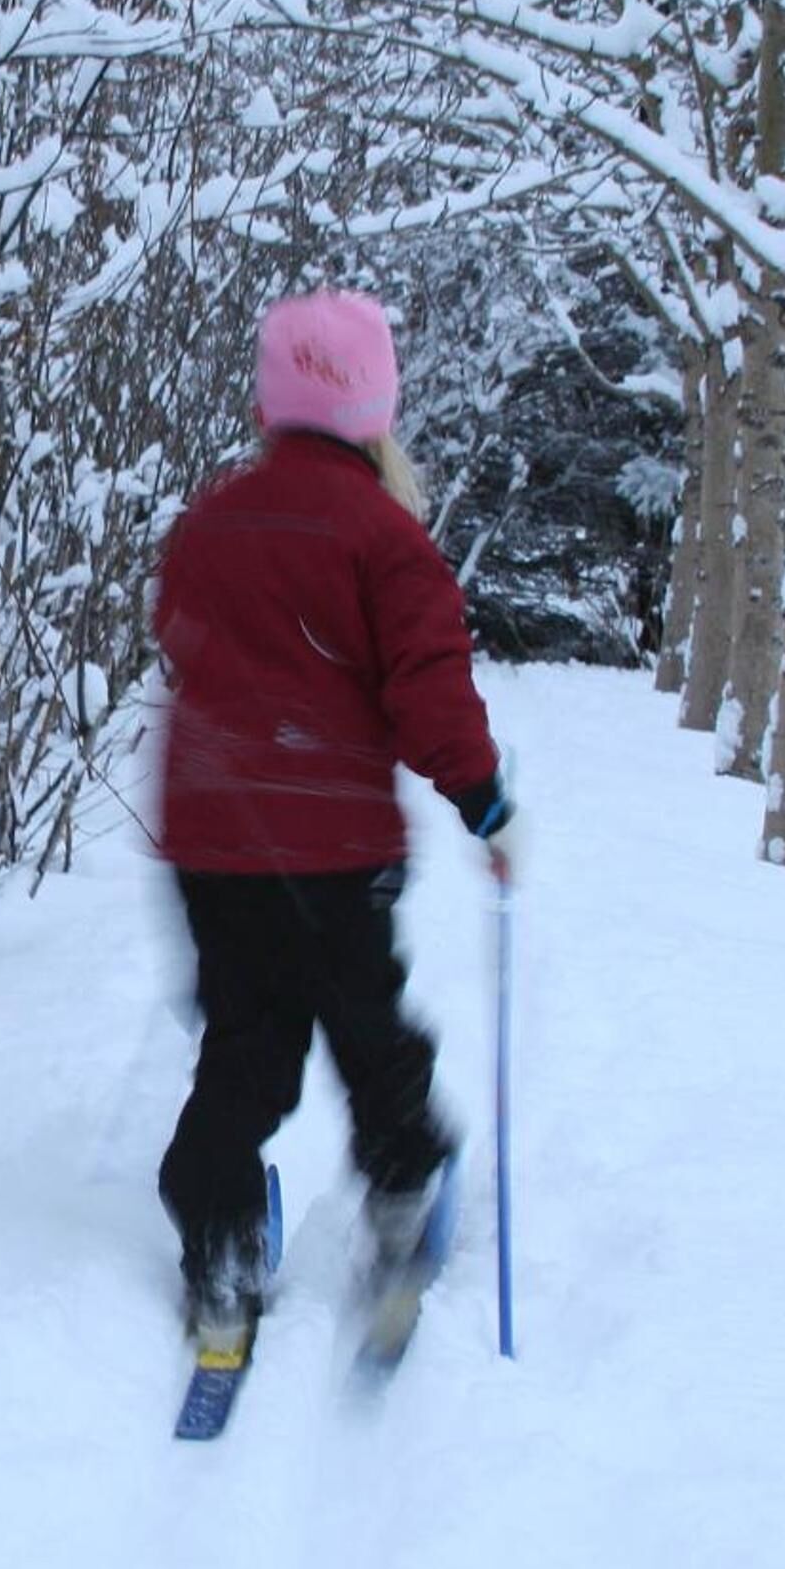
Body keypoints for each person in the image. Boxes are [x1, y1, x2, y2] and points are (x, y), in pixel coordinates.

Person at [149, 288, 517, 1353]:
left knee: (246, 1044)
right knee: (366, 1031)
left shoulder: (210, 520)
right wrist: (484, 804)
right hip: (335, 850)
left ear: (272, 408)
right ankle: (401, 1197)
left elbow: (179, 635)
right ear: (375, 410)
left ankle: (219, 1237)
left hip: (214, 843)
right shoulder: (383, 537)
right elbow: (430, 690)